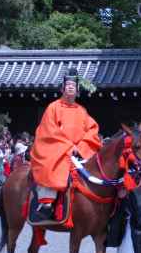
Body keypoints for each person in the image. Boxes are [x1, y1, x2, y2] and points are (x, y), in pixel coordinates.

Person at [30, 68, 102, 219]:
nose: (70, 87)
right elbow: (48, 131)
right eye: (67, 85)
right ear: (62, 88)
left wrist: (81, 146)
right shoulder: (53, 107)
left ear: (77, 91)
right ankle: (47, 203)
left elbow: (92, 129)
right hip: (58, 151)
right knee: (50, 167)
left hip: (79, 152)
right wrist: (68, 147)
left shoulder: (82, 110)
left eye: (73, 86)